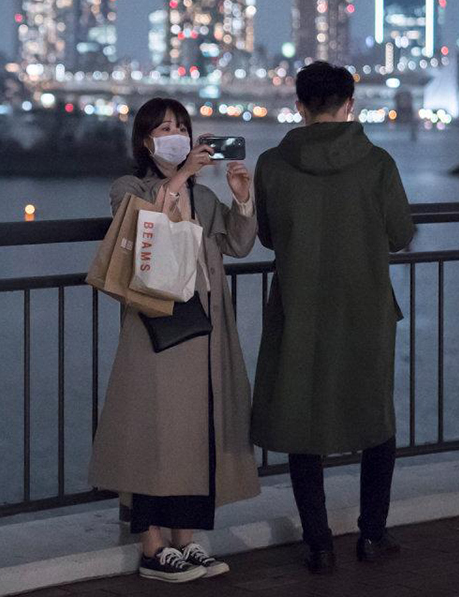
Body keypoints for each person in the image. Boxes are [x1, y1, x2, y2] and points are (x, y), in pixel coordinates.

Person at [250, 61, 416, 574]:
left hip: (300, 306)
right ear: (350, 104)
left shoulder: (272, 165)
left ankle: (319, 542)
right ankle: (372, 533)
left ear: (299, 106)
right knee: (375, 418)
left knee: (302, 422)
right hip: (364, 309)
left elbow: (269, 236)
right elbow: (400, 233)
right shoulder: (378, 163)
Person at [88, 97, 259, 583]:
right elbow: (140, 221)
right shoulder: (130, 186)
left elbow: (239, 243)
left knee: (196, 431)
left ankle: (186, 540)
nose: (176, 133)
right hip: (155, 323)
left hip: (204, 326)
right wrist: (181, 175)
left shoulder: (204, 199)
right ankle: (151, 546)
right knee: (150, 432)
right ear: (146, 140)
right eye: (165, 127)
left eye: (182, 126)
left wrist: (243, 197)